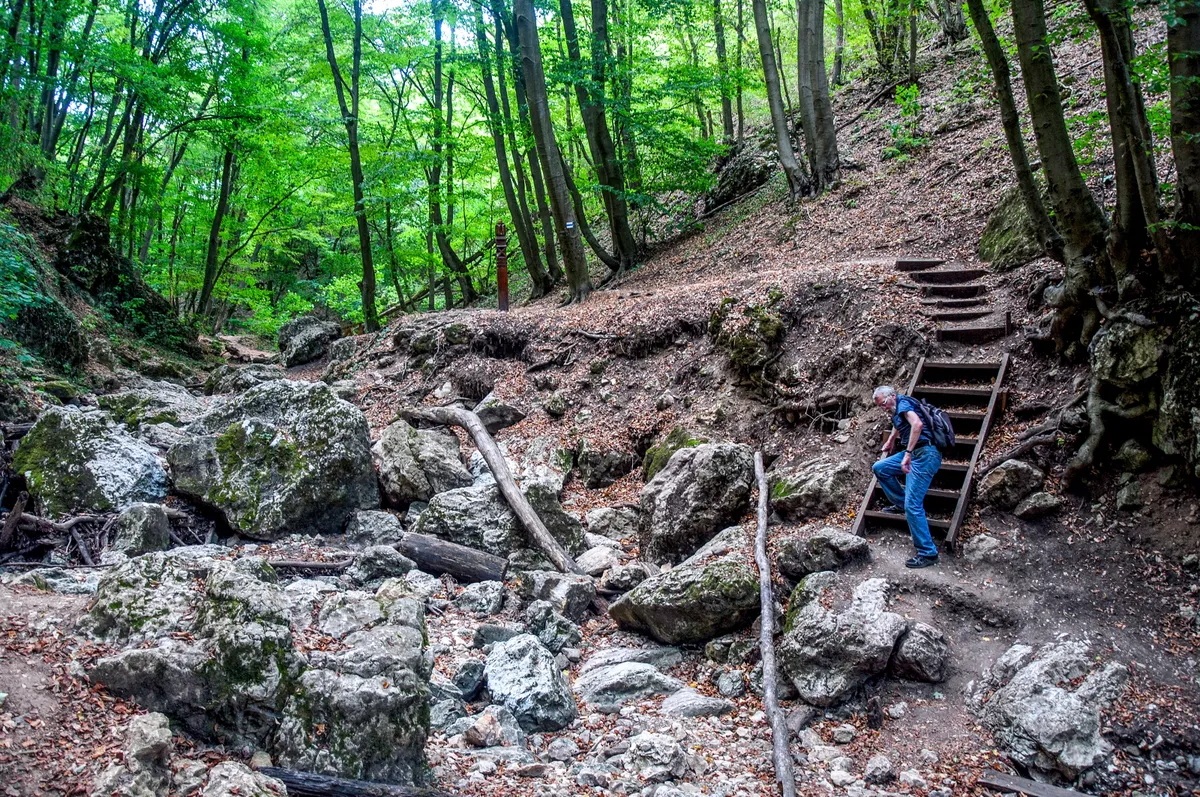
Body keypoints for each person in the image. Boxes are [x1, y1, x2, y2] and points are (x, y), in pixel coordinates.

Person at [871, 385, 942, 568]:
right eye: (880, 406)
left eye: (884, 403)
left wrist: (908, 453)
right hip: (915, 453)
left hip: (925, 455)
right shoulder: (898, 407)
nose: (884, 408)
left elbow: (917, 424)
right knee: (880, 468)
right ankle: (900, 503)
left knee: (913, 505)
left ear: (893, 396)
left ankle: (928, 553)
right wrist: (890, 440)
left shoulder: (903, 405)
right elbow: (899, 423)